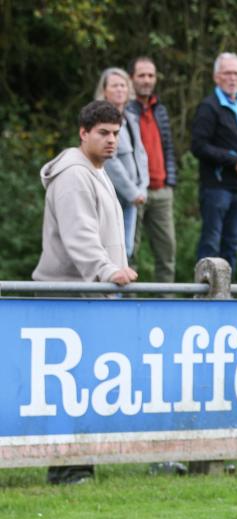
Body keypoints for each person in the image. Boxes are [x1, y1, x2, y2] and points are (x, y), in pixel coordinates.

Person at [33, 100, 139, 484]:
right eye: (103, 133)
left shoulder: (96, 171)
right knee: (67, 388)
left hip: (88, 295)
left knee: (85, 387)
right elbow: (79, 236)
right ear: (83, 133)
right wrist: (107, 271)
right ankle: (65, 468)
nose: (111, 140)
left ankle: (79, 463)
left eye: (116, 133)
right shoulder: (74, 175)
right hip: (68, 297)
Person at [191, 52, 237, 273]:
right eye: (227, 73)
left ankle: (225, 290)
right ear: (216, 77)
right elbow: (198, 146)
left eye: (236, 73)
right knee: (211, 244)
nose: (232, 78)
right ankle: (204, 289)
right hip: (216, 187)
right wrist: (233, 159)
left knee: (232, 245)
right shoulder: (209, 107)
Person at [127, 56, 177, 283]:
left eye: (151, 75)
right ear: (131, 78)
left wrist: (170, 181)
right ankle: (125, 300)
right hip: (134, 191)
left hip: (162, 190)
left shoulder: (160, 110)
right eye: (141, 75)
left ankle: (166, 300)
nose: (147, 80)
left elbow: (168, 147)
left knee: (167, 253)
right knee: (128, 253)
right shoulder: (125, 111)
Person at [95, 67, 148, 260]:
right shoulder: (100, 120)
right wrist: (133, 192)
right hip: (114, 195)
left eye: (123, 85)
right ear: (104, 91)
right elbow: (109, 160)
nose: (120, 89)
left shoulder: (130, 118)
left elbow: (141, 154)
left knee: (127, 250)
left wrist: (143, 187)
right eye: (114, 86)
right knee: (110, 251)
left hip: (132, 197)